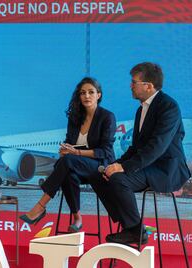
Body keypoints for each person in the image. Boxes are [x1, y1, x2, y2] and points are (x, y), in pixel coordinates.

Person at [89, 62, 190, 245]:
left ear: (149, 86)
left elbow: (156, 147)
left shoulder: (169, 107)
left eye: (134, 82)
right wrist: (115, 164)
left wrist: (123, 167)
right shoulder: (140, 110)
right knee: (99, 176)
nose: (130, 85)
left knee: (119, 179)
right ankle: (133, 228)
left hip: (166, 170)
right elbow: (136, 147)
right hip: (147, 167)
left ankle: (134, 231)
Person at [20, 77, 116, 232]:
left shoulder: (107, 117)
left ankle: (40, 206)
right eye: (82, 93)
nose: (86, 96)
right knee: (67, 171)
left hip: (100, 166)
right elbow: (69, 141)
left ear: (98, 95)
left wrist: (75, 152)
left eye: (91, 92)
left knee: (67, 162)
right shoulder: (75, 117)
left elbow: (104, 151)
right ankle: (77, 218)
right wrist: (65, 149)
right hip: (77, 165)